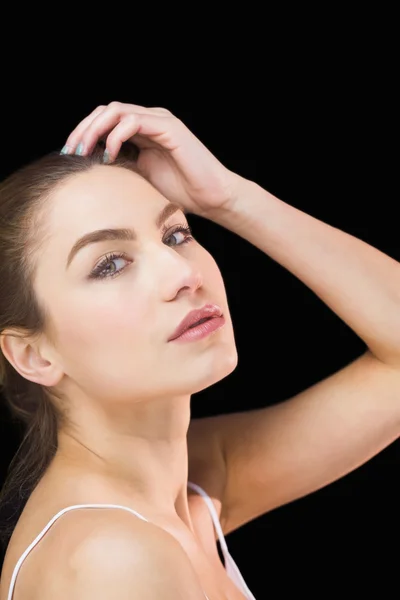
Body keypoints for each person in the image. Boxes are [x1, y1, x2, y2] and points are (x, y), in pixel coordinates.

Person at [0, 101, 400, 600]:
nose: (182, 274)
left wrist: (229, 198)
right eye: (109, 265)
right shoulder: (112, 560)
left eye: (176, 234)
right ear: (33, 356)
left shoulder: (189, 489)